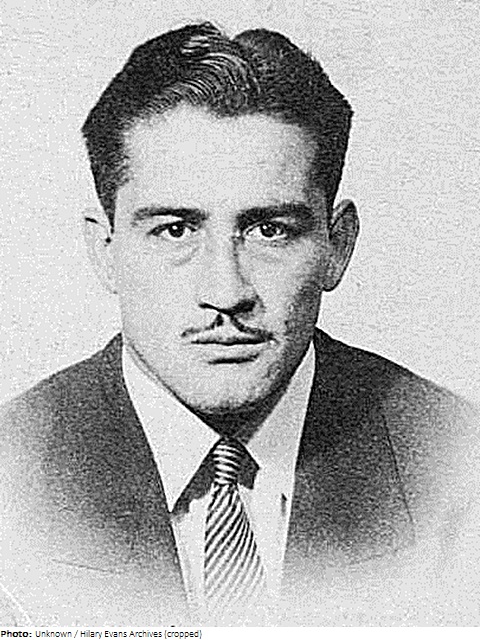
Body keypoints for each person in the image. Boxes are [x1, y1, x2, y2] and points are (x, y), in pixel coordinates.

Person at [0, 22, 477, 626]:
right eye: (175, 230)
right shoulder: (11, 475)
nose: (225, 293)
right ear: (105, 250)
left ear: (337, 246)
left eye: (270, 230)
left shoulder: (459, 466)